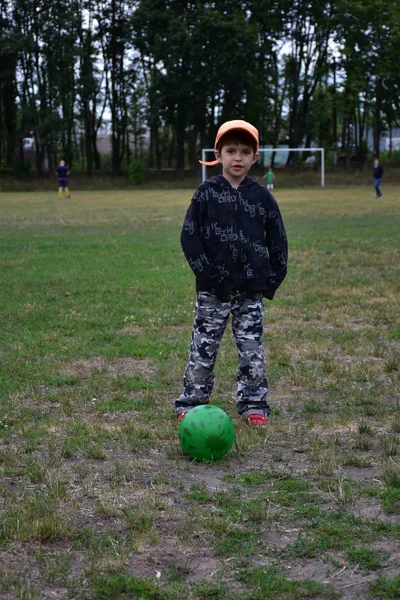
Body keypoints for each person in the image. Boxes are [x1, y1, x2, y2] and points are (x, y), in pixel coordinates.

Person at [175, 120, 288, 427]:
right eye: (231, 151)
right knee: (203, 349)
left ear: (254, 157)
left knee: (252, 352)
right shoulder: (206, 193)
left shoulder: (262, 197)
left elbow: (277, 239)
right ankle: (192, 402)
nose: (237, 157)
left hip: (250, 292)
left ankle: (253, 404)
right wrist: (208, 277)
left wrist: (271, 279)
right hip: (213, 292)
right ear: (219, 154)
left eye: (245, 151)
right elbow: (189, 237)